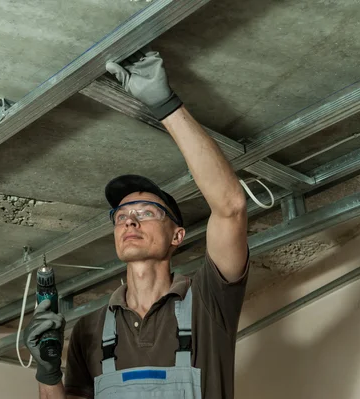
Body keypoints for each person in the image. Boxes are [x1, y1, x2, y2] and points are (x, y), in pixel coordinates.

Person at [25, 48, 249, 399]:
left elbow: (231, 206)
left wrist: (165, 105)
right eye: (122, 216)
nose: (130, 220)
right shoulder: (91, 329)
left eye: (146, 212)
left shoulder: (208, 302)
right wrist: (48, 373)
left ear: (177, 235)